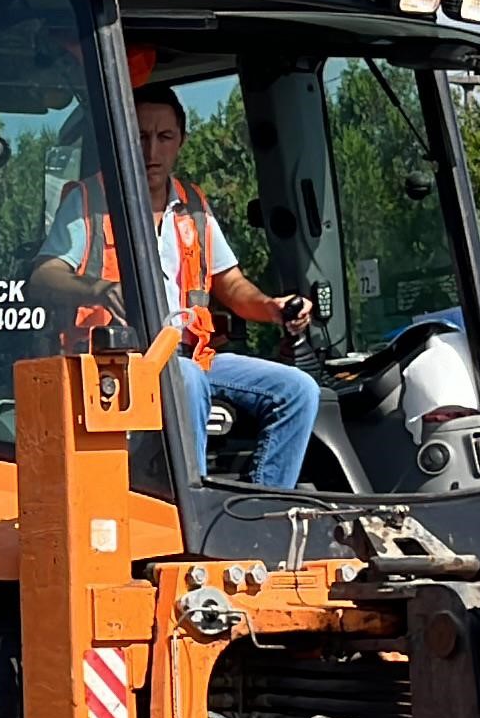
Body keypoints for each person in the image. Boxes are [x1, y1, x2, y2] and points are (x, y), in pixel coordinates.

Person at [29, 85, 321, 489]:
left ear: (180, 141)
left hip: (191, 353)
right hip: (118, 362)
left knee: (299, 390)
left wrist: (272, 306)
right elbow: (42, 276)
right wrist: (98, 289)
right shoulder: (89, 200)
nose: (152, 151)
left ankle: (263, 500)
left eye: (164, 137)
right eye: (141, 137)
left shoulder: (193, 205)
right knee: (185, 379)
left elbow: (231, 284)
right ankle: (192, 506)